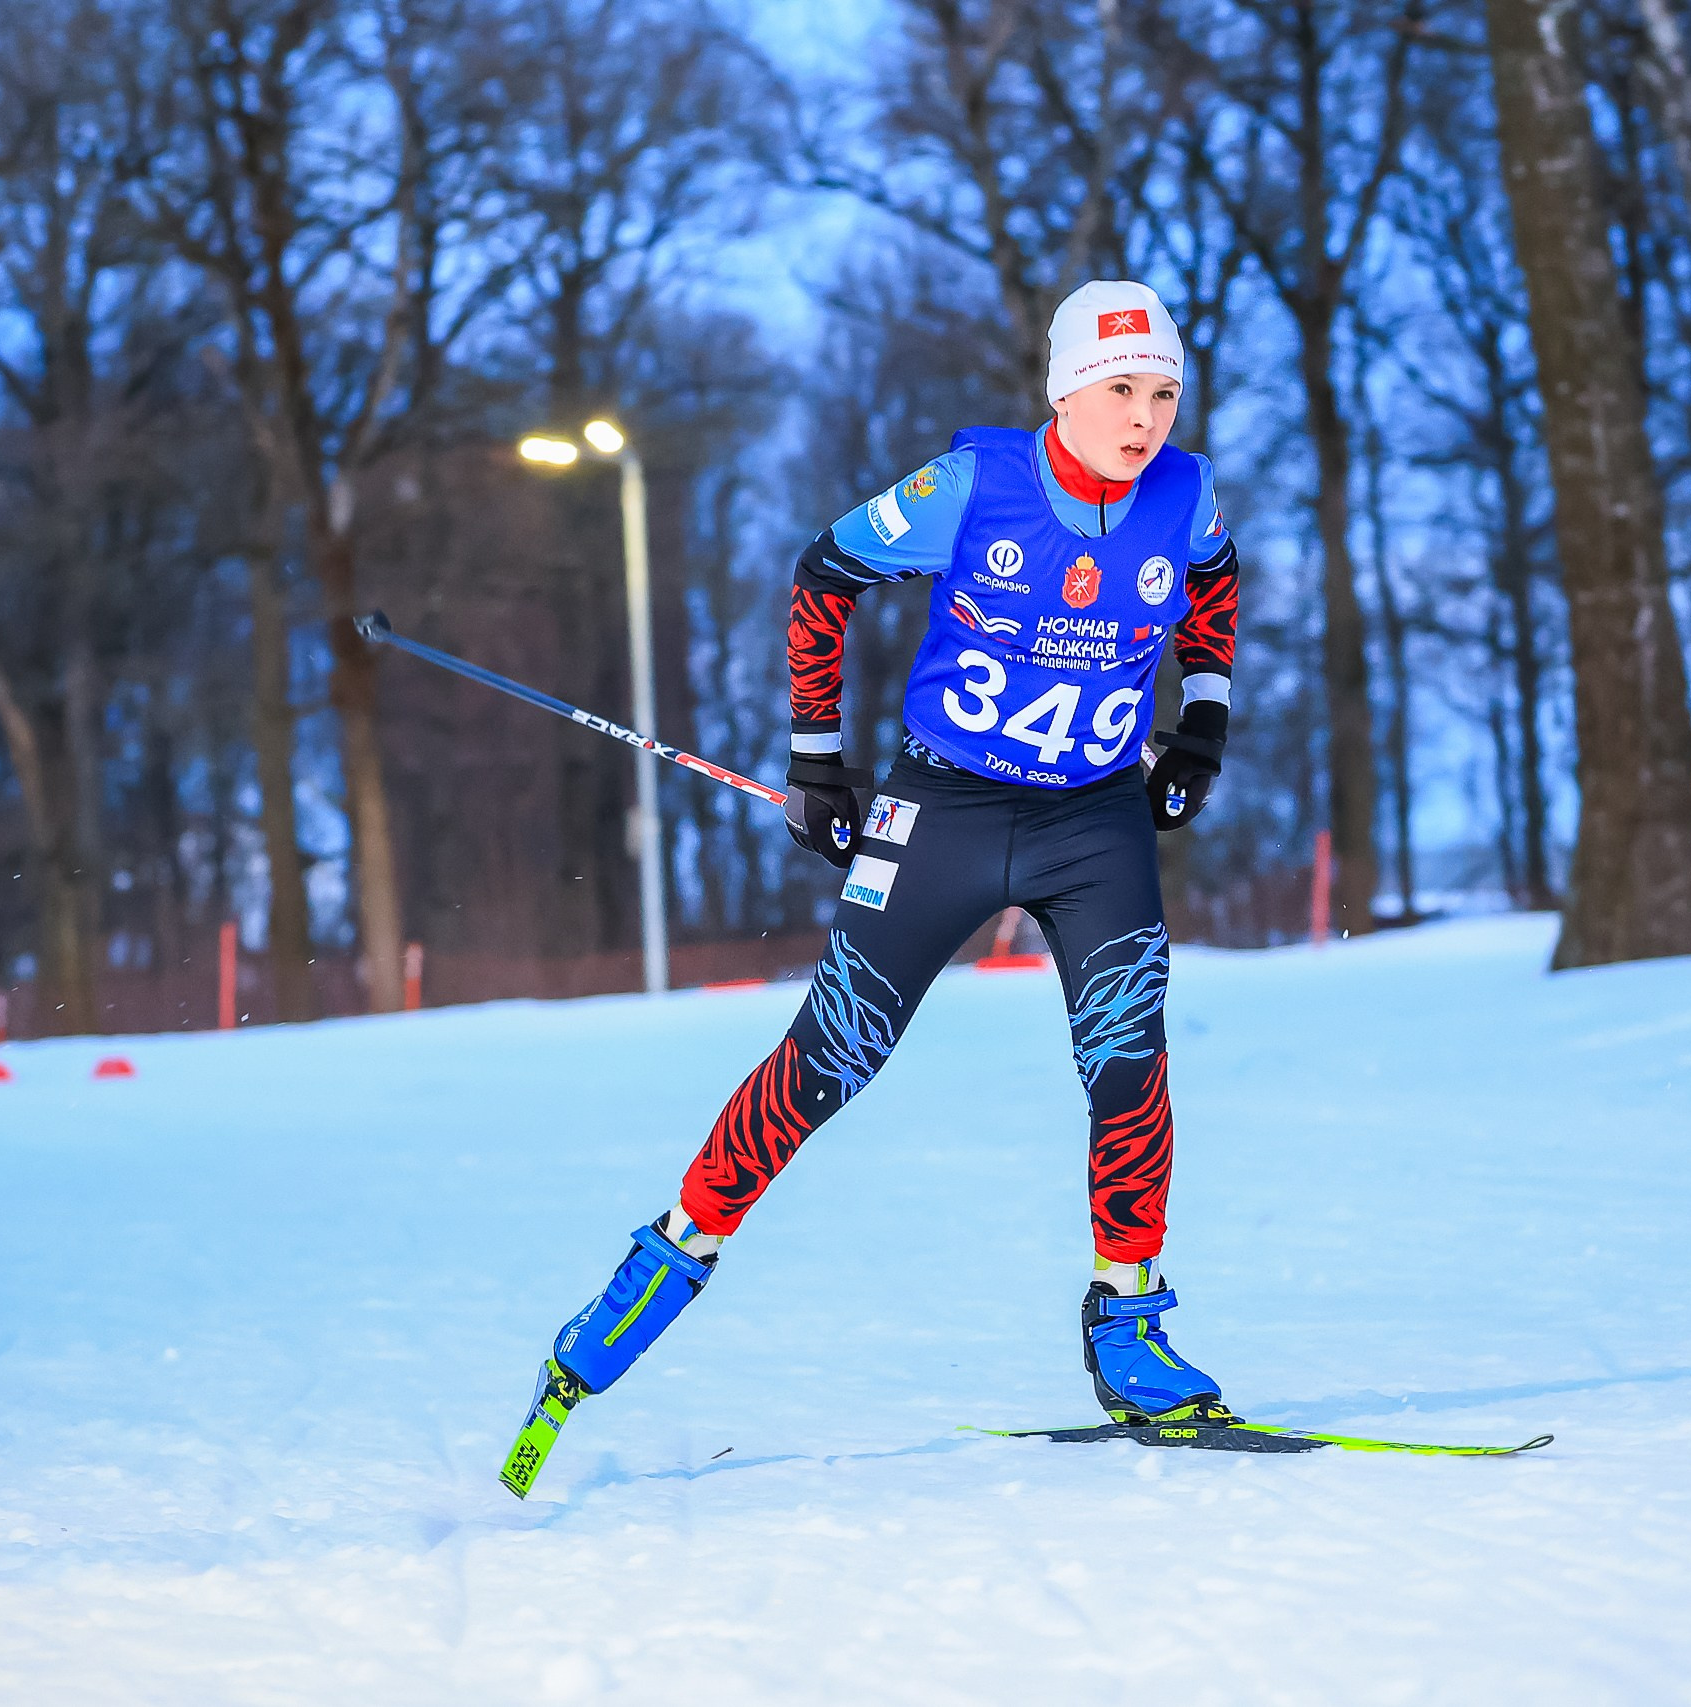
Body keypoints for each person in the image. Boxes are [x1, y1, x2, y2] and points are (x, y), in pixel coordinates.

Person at [503, 280, 1243, 1496]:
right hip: (945, 811)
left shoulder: (1186, 492)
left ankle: (1131, 1326)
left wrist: (1199, 727)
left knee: (1128, 1059)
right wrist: (815, 758)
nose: (1144, 417)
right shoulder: (972, 488)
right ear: (1064, 393)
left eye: (1163, 392)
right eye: (1119, 389)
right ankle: (657, 1270)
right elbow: (822, 574)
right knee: (830, 1059)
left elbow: (1211, 584)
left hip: (1095, 823)